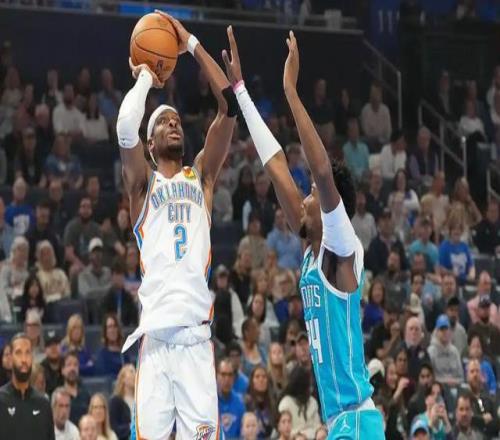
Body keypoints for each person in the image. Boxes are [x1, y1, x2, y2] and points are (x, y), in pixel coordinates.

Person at [226, 28, 384, 438]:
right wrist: (240, 91)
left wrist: (291, 93)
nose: (306, 197)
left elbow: (323, 172)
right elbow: (276, 165)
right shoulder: (312, 250)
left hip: (356, 419)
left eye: (311, 194)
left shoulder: (342, 248)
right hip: (341, 421)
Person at [116, 12, 237, 439]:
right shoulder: (142, 187)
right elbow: (124, 126)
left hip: (195, 342)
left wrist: (191, 44)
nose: (173, 123)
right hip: (155, 341)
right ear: (150, 144)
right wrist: (145, 78)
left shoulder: (201, 177)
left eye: (177, 121)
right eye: (163, 122)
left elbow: (229, 105)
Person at [0, 333, 55, 439]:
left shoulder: (43, 404)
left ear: (32, 357)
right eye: (18, 353)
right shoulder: (1, 400)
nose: (24, 359)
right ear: (10, 358)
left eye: (27, 353)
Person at [278, 366, 321, 438]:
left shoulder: (313, 402)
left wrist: (305, 435)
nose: (310, 387)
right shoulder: (285, 404)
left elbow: (317, 427)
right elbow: (286, 431)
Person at [428, 314, 464, 386]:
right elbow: (430, 377)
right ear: (437, 331)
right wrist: (445, 382)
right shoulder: (431, 351)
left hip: (455, 386)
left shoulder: (454, 351)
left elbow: (461, 376)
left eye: (446, 329)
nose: (444, 332)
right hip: (438, 387)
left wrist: (455, 382)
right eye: (442, 329)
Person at [465, 359, 499, 438]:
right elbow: (467, 417)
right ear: (467, 376)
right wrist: (482, 419)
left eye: (477, 371)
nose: (475, 374)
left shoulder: (487, 396)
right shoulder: (463, 396)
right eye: (472, 371)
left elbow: (497, 420)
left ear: (482, 375)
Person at [244, 365, 277, 438]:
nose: (261, 380)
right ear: (252, 381)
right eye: (257, 377)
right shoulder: (246, 403)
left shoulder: (274, 403)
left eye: (264, 377)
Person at [217, 358, 245, 439]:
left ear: (234, 377)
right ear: (216, 376)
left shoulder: (240, 402)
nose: (227, 379)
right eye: (223, 374)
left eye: (230, 375)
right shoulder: (210, 401)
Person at [62, 351, 90, 425]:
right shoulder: (58, 395)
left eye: (75, 365)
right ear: (62, 370)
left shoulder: (86, 394)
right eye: (69, 365)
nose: (72, 368)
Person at [360, 82, 392, 147]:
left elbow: (388, 131)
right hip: (369, 141)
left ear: (381, 96)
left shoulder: (385, 110)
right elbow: (367, 132)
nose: (374, 96)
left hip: (383, 140)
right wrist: (377, 137)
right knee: (362, 141)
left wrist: (382, 139)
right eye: (372, 93)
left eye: (377, 93)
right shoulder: (365, 110)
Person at [109, 364, 135, 440]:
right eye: (131, 372)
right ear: (123, 379)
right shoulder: (115, 401)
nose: (135, 374)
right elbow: (113, 427)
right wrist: (131, 427)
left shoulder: (140, 400)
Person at [342, 117, 370, 181]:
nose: (355, 133)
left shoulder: (364, 147)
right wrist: (362, 173)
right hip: (353, 180)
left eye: (357, 130)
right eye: (353, 131)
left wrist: (367, 173)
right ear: (348, 132)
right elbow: (349, 169)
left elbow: (368, 167)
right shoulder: (345, 149)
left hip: (366, 179)